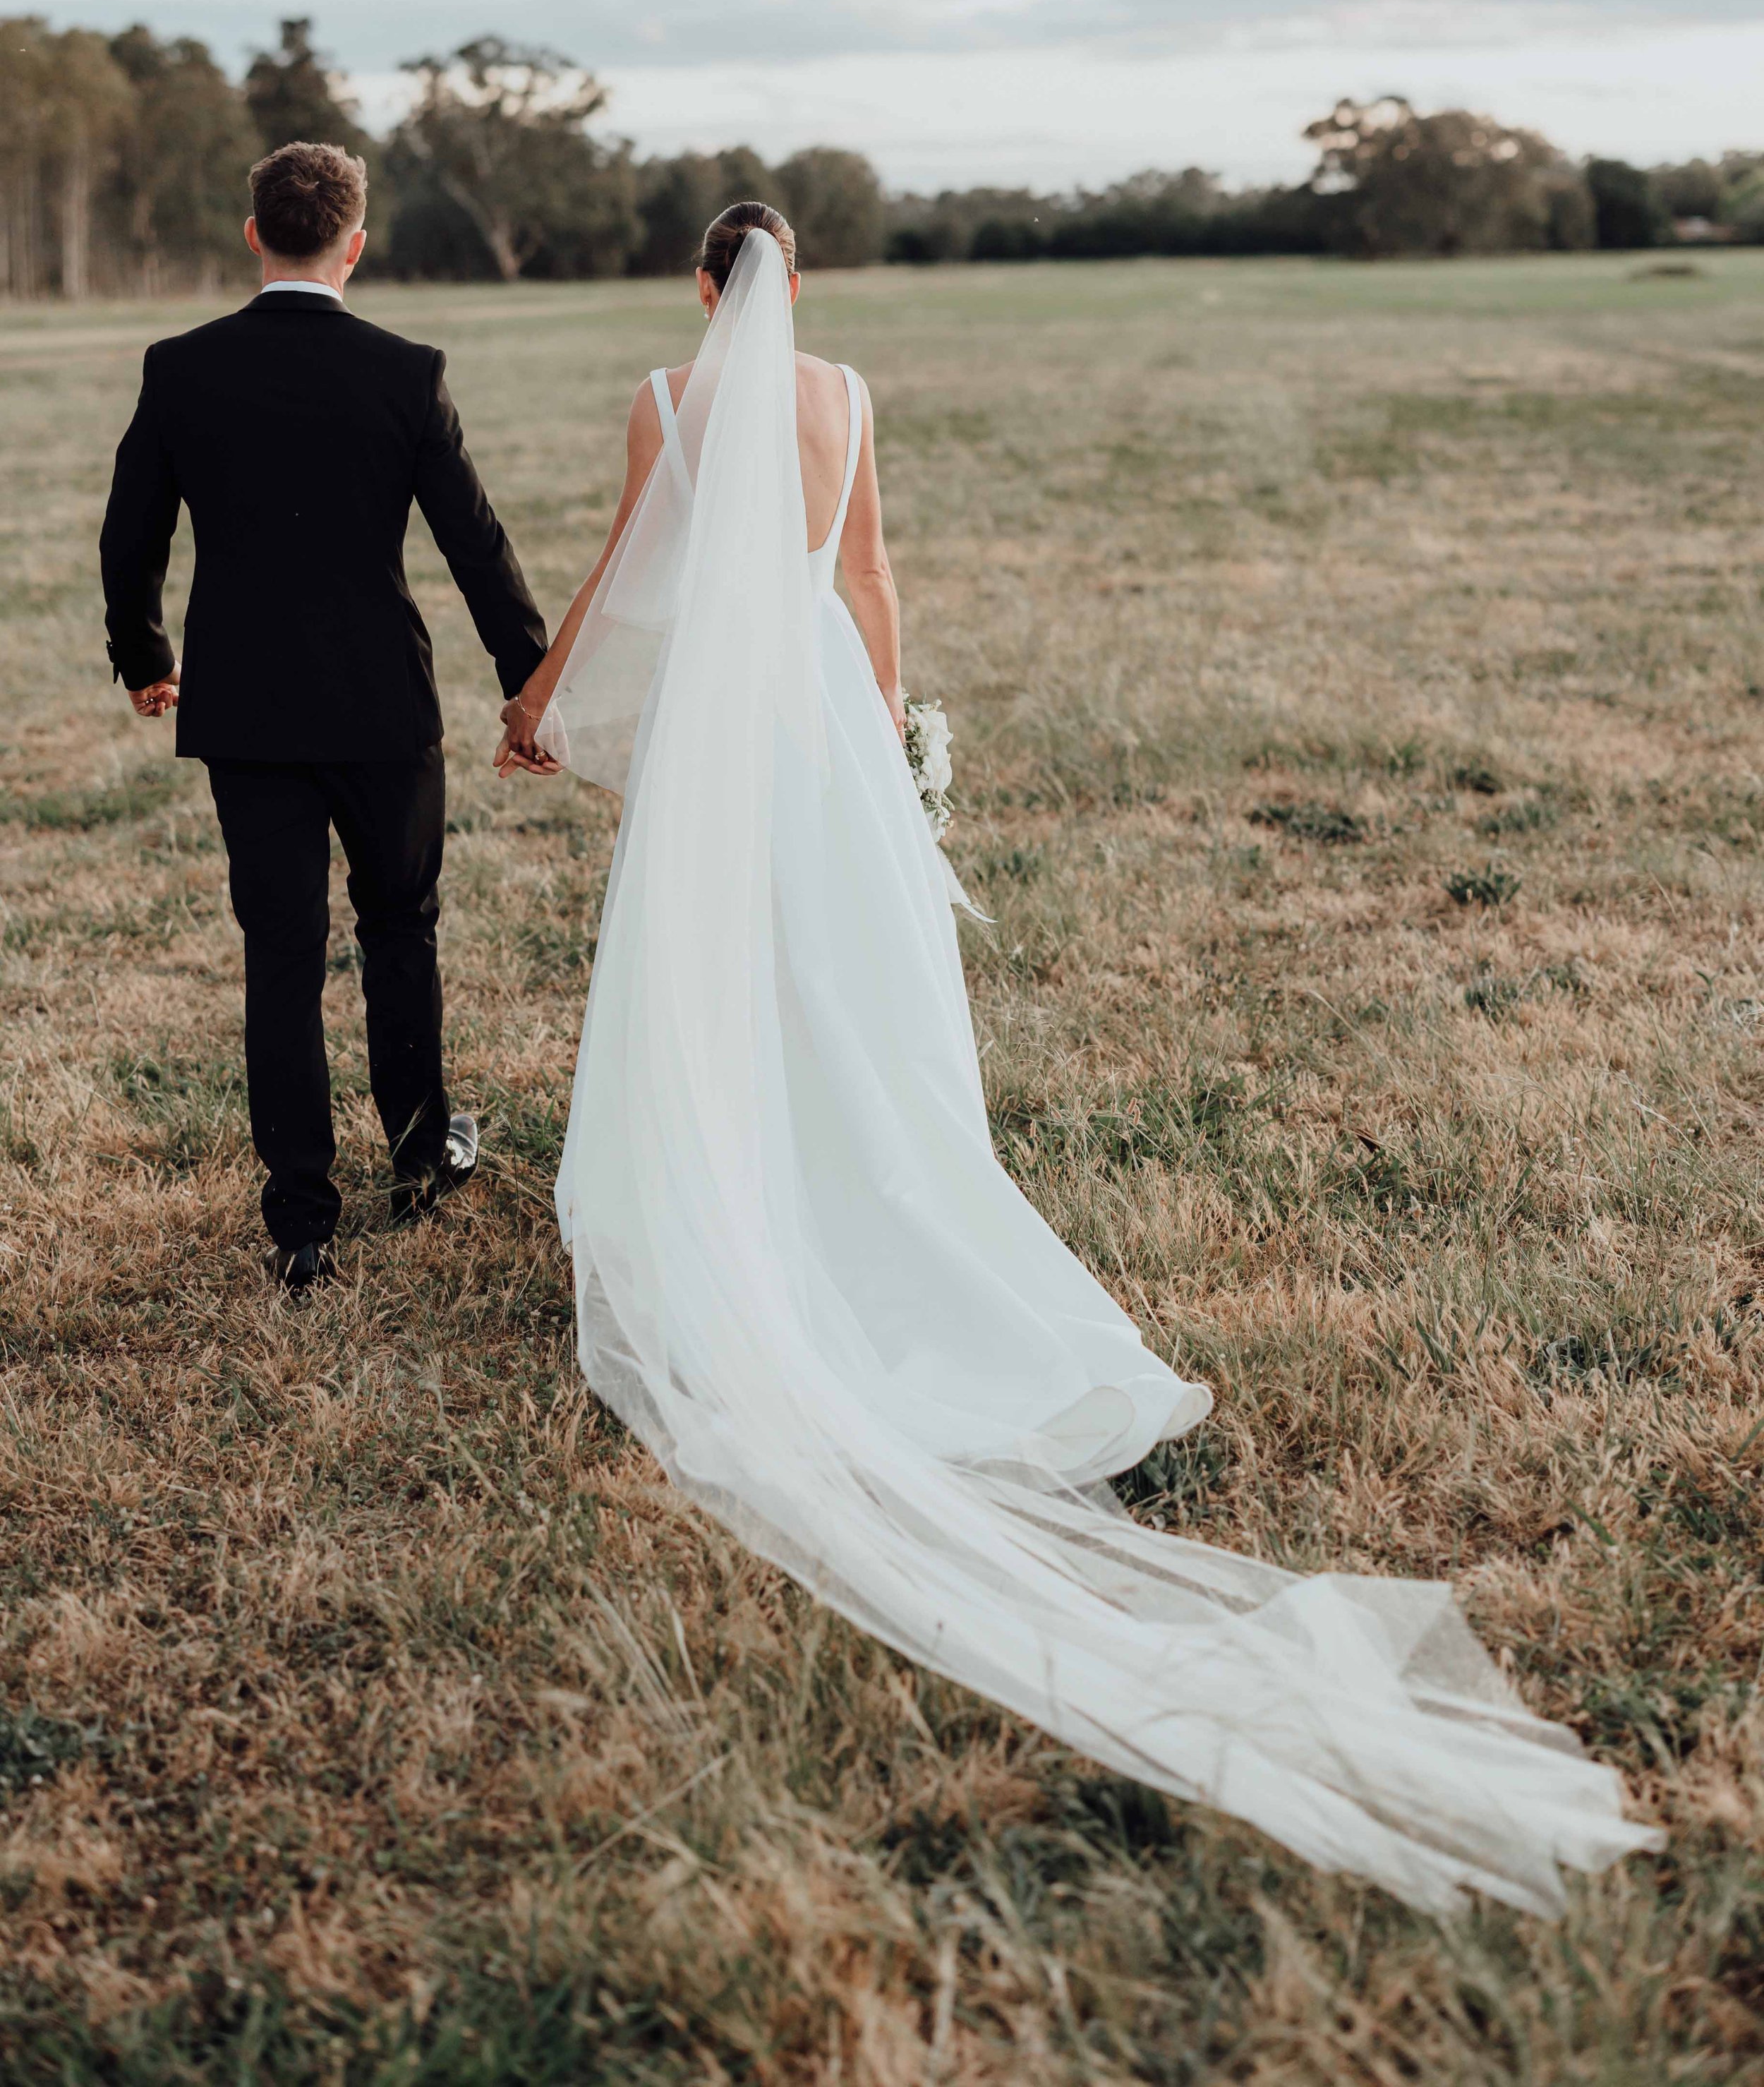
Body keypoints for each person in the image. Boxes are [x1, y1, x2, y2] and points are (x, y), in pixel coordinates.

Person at [502, 201, 1657, 1914]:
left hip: (718, 720)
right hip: (815, 704)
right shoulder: (852, 394)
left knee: (711, 973)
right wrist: (882, 739)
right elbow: (870, 575)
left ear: (698, 288)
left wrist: (542, 689)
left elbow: (631, 572)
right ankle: (845, 1183)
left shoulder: (668, 400)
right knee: (844, 978)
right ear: (795, 283)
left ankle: (721, 1192)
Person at [99, 140, 548, 1290]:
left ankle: (300, 1219)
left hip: (247, 710)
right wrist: (528, 679)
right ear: (356, 242)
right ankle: (416, 1164)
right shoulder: (406, 372)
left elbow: (128, 537)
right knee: (400, 927)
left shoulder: (181, 366)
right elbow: (476, 545)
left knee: (281, 955)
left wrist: (147, 655)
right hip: (381, 707)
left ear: (255, 235)